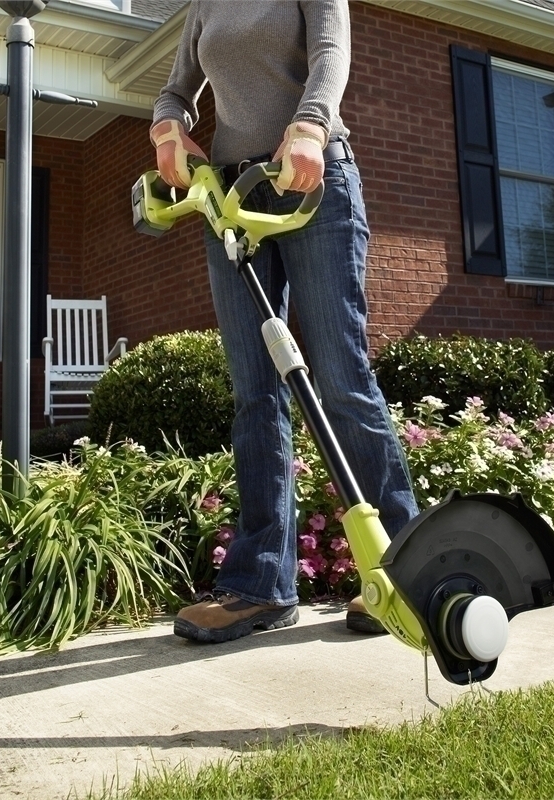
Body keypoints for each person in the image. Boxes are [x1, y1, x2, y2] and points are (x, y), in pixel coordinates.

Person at [150, 0, 418, 643]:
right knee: (255, 393)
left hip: (312, 181)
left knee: (341, 377)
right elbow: (176, 90)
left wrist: (310, 124)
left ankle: (404, 569)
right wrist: (167, 130)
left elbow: (331, 53)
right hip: (231, 198)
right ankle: (260, 586)